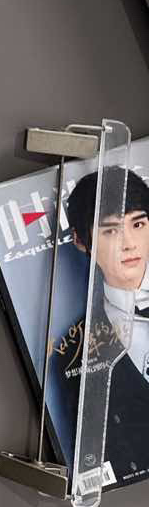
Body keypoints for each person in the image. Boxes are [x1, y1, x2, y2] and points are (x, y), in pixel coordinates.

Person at [52, 166, 149, 486]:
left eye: (138, 224)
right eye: (110, 231)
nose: (129, 243)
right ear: (81, 241)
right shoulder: (73, 352)